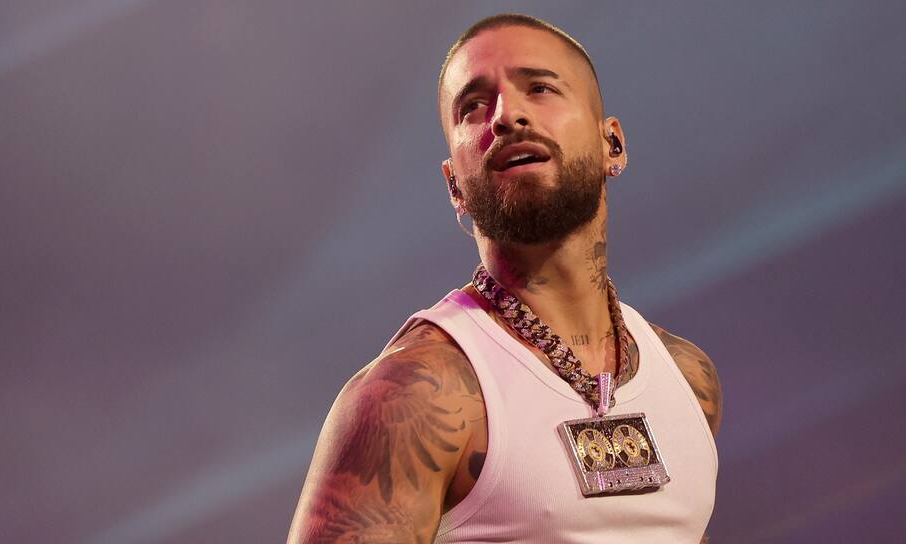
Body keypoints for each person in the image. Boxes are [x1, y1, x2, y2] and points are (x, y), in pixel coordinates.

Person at [287, 13, 721, 543]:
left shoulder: (689, 379)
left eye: (539, 88)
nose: (506, 115)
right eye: (473, 105)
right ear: (454, 185)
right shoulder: (413, 397)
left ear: (612, 143)